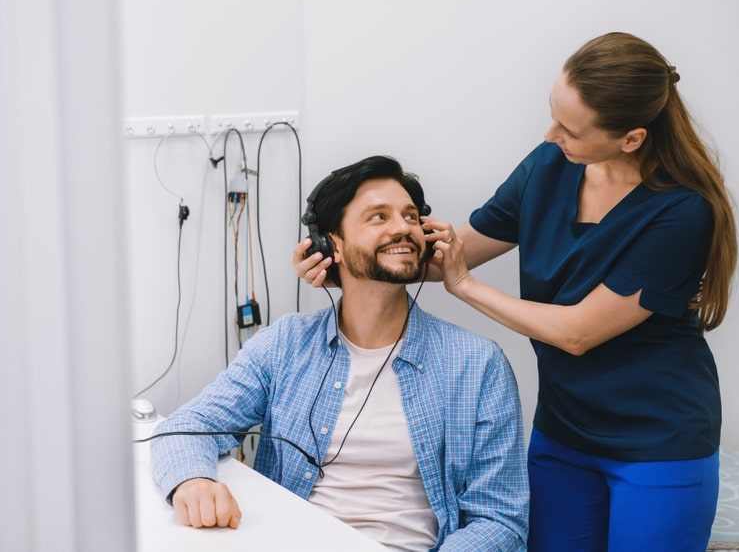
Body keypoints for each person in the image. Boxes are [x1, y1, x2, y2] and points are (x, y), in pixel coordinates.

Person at [295, 33, 738, 552]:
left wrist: (466, 287)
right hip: (564, 431)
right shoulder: (551, 164)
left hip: (659, 441)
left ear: (631, 139)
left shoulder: (680, 212)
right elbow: (452, 256)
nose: (550, 135)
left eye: (570, 129)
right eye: (552, 114)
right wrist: (352, 261)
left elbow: (577, 333)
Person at [150, 155, 529, 551]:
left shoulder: (477, 364)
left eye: (411, 216)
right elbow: (187, 426)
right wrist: (193, 480)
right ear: (332, 245)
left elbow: (500, 520)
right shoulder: (285, 345)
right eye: (378, 217)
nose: (402, 227)